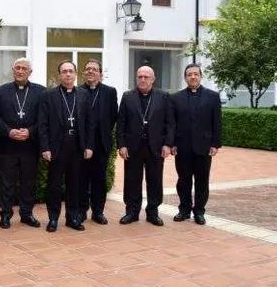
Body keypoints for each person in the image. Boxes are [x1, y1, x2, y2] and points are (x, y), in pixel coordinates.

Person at [38, 60, 95, 232]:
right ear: (59, 75)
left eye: (71, 71)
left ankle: (72, 217)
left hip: (77, 145)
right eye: (64, 71)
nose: (68, 74)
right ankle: (53, 218)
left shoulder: (84, 94)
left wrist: (89, 146)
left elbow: (90, 124)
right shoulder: (48, 95)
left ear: (76, 74)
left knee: (75, 184)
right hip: (57, 146)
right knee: (54, 185)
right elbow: (43, 124)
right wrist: (45, 147)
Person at [117, 66, 175, 226]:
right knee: (132, 180)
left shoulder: (163, 96)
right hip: (133, 147)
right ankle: (132, 212)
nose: (142, 79)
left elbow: (170, 123)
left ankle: (153, 212)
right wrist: (121, 145)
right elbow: (121, 123)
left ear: (153, 79)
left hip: (155, 147)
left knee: (155, 180)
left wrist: (168, 144)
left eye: (146, 77)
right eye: (139, 76)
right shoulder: (128, 96)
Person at [0, 58, 46, 229]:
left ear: (30, 72)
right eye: (17, 68)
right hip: (8, 145)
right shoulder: (1, 91)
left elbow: (44, 119)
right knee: (7, 183)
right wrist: (9, 131)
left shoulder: (40, 91)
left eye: (24, 69)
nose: (20, 71)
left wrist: (30, 131)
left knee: (28, 182)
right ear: (13, 70)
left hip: (30, 145)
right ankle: (6, 215)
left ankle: (26, 214)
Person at [171, 64, 222, 225]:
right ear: (185, 78)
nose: (192, 77)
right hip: (182, 146)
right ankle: (184, 210)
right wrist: (172, 143)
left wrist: (215, 144)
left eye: (195, 74)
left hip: (204, 147)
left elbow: (217, 122)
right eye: (189, 74)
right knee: (183, 180)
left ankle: (199, 211)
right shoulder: (176, 98)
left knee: (202, 181)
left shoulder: (212, 96)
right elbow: (172, 123)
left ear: (200, 76)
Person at [78, 59, 118, 225]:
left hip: (101, 144)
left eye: (94, 69)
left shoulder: (110, 91)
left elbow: (113, 116)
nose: (90, 72)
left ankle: (98, 212)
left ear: (100, 74)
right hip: (81, 144)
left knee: (99, 180)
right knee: (81, 179)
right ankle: (81, 211)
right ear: (83, 73)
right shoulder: (77, 90)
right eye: (87, 69)